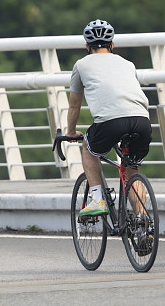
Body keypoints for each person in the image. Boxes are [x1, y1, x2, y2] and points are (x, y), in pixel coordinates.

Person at [65, 19, 152, 217]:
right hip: (142, 121)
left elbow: (74, 105)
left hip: (110, 122)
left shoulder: (81, 65)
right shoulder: (127, 64)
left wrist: (70, 132)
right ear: (112, 45)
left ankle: (97, 199)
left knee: (88, 146)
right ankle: (143, 223)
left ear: (87, 46)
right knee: (132, 172)